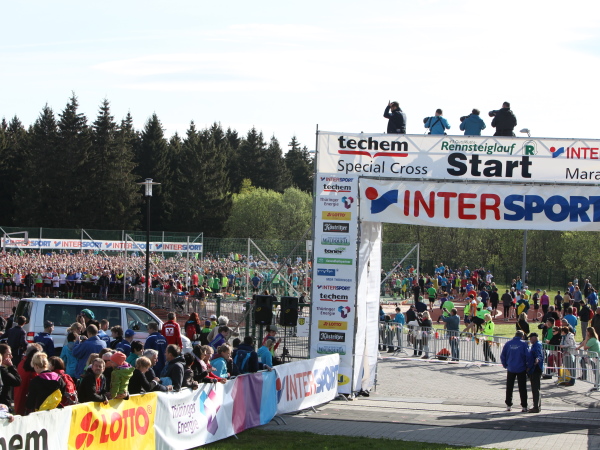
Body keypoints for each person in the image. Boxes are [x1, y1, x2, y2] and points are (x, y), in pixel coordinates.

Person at [500, 331, 529, 412]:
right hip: (521, 368)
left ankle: (508, 405)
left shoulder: (508, 344)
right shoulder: (523, 344)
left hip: (511, 368)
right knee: (522, 388)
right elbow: (528, 355)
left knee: (509, 387)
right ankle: (524, 406)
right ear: (522, 336)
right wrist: (528, 366)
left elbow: (503, 355)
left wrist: (505, 365)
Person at [0, 344, 21, 412]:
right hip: (3, 404)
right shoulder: (3, 371)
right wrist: (11, 367)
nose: (11, 357)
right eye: (8, 354)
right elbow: (17, 381)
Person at [527, 333, 544, 413]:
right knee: (535, 388)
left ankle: (536, 407)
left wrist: (537, 359)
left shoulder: (537, 345)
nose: (530, 340)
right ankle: (536, 406)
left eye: (531, 338)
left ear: (535, 338)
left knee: (535, 388)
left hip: (535, 369)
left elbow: (539, 354)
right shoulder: (536, 345)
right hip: (535, 368)